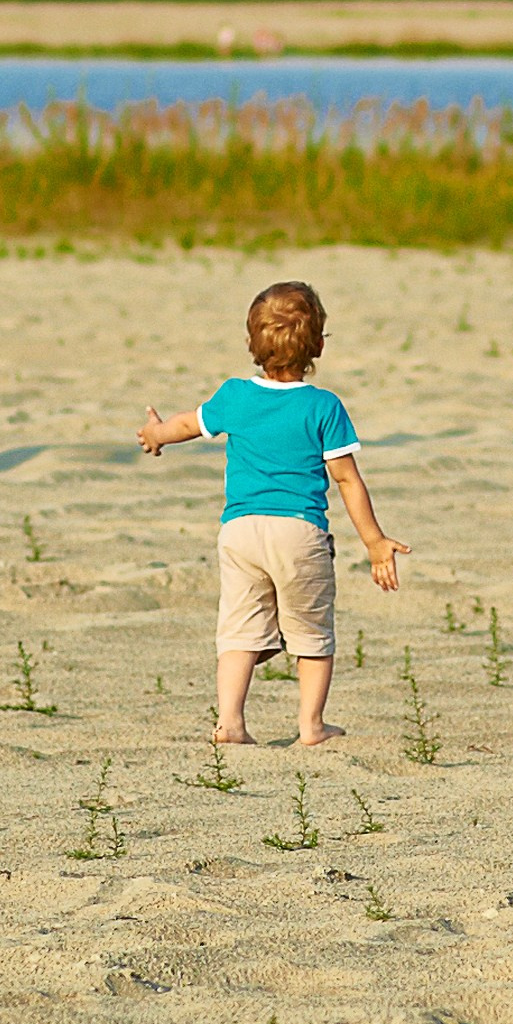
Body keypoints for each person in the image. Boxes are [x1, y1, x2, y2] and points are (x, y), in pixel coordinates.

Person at [139, 277, 403, 748]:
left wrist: (156, 434)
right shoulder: (323, 406)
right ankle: (312, 725)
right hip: (298, 533)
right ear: (318, 345)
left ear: (251, 344)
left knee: (238, 631)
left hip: (240, 531)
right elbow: (346, 479)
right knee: (312, 632)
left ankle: (230, 722)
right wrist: (374, 541)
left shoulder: (235, 395)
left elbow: (187, 425)